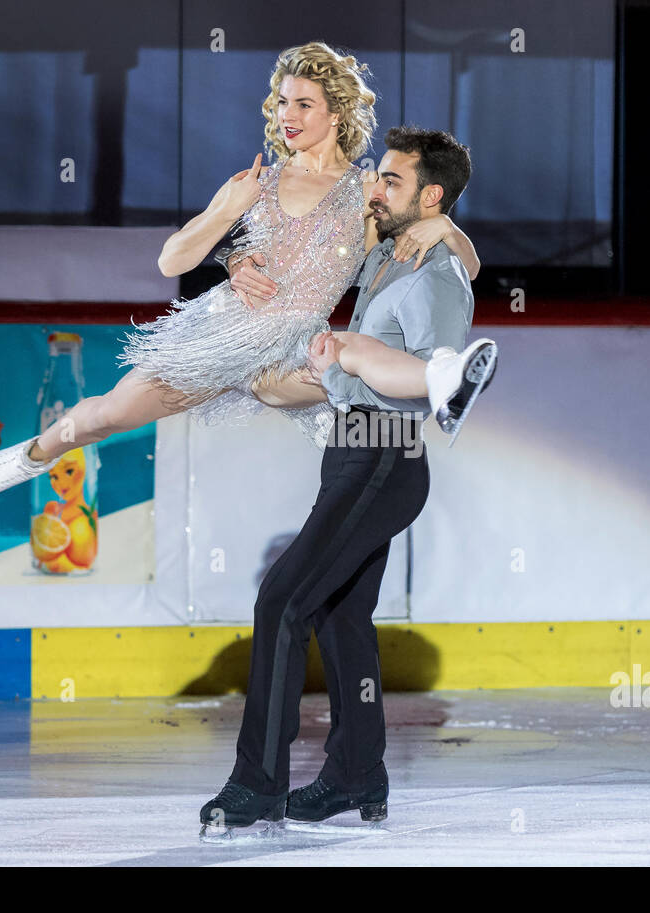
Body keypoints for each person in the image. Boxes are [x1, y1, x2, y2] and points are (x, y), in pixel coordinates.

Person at [0, 41, 490, 497]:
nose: (289, 114)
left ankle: (442, 380)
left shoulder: (365, 191)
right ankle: (35, 454)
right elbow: (172, 259)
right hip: (220, 334)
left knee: (344, 357)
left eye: (305, 104)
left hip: (290, 350)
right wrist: (225, 216)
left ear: (336, 115)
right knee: (109, 415)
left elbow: (466, 268)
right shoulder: (255, 182)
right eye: (283, 101)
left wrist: (448, 229)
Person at [199, 127, 489, 837]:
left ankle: (257, 784)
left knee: (282, 602)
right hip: (353, 454)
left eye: (393, 180)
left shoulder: (435, 271)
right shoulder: (392, 255)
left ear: (432, 195)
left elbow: (420, 384)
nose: (376, 187)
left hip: (385, 454)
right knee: (338, 615)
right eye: (379, 176)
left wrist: (338, 366)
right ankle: (357, 773)